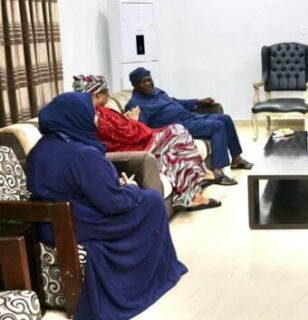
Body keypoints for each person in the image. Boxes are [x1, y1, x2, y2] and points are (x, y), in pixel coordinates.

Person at [26, 92, 187, 320]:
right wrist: (130, 188)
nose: (96, 118)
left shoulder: (38, 150)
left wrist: (112, 185)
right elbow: (113, 203)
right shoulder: (83, 154)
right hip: (79, 223)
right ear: (75, 116)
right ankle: (153, 275)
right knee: (152, 201)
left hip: (49, 226)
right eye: (92, 113)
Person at [73, 74, 220, 211]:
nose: (109, 95)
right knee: (178, 132)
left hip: (135, 143)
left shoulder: (92, 112)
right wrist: (133, 121)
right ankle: (196, 185)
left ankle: (191, 194)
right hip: (136, 146)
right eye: (106, 92)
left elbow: (118, 131)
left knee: (172, 154)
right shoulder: (100, 114)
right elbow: (129, 134)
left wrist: (127, 120)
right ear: (98, 95)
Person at [125, 67, 252, 186]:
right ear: (135, 85)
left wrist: (198, 101)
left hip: (189, 116)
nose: (148, 83)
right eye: (143, 82)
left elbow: (175, 101)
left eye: (149, 79)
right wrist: (133, 122)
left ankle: (236, 159)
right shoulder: (135, 104)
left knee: (225, 119)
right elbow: (142, 128)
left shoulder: (156, 91)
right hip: (179, 127)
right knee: (217, 126)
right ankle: (218, 171)